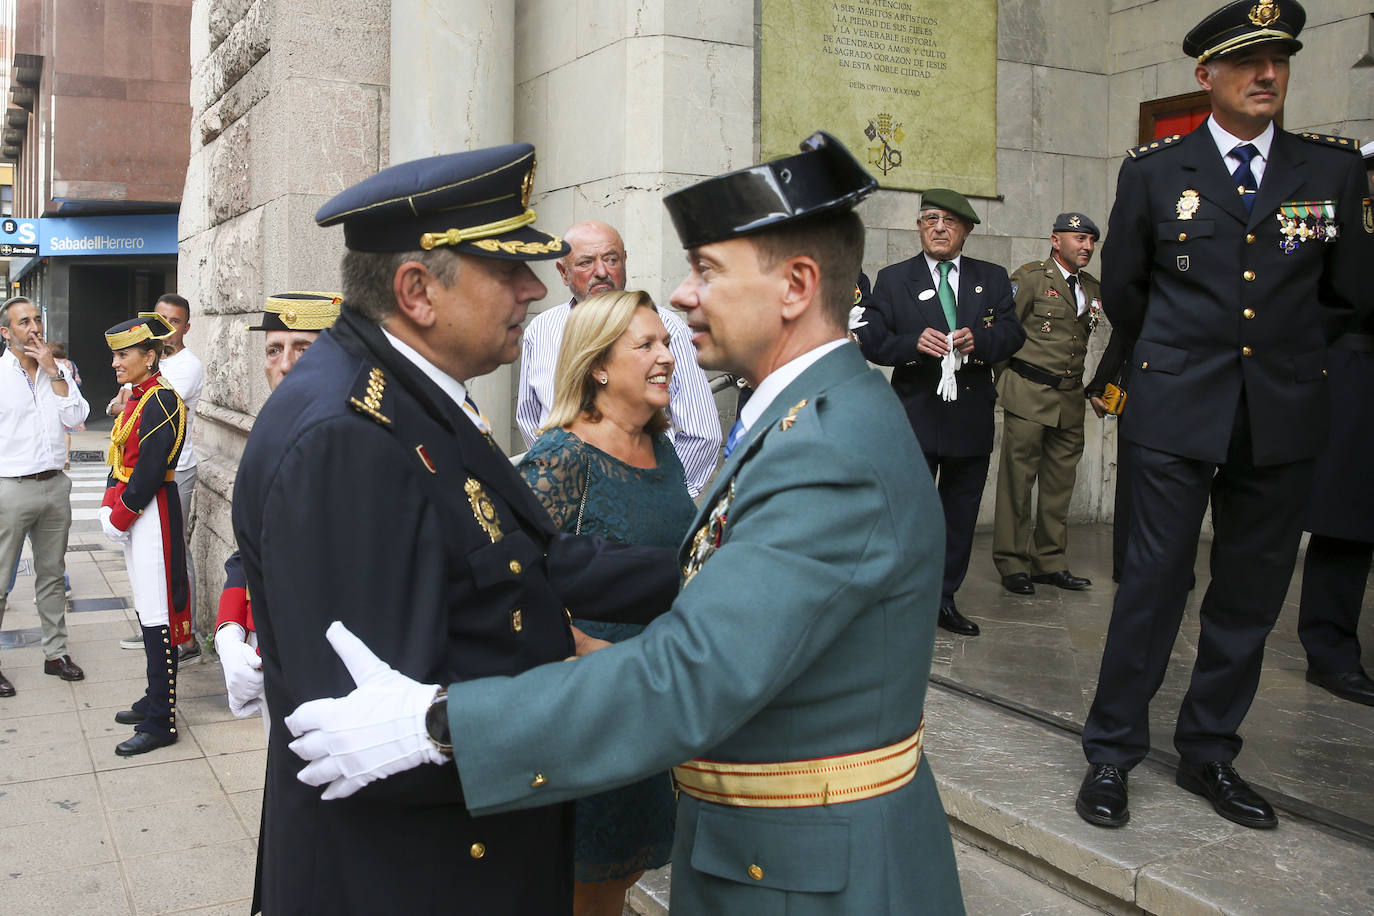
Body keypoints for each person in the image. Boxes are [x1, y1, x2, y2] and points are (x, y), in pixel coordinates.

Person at [285, 131, 966, 915]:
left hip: (812, 878)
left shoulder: (825, 448)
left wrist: (438, 725)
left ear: (796, 286)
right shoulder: (809, 419)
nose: (681, 296)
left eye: (706, 270)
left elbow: (690, 674)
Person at [230, 143, 680, 916]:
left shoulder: (417, 393)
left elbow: (532, 562)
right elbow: (373, 730)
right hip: (414, 877)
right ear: (417, 291)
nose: (535, 290)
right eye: (507, 272)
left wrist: (706, 573)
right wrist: (596, 688)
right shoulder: (347, 438)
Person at [1076, 0, 1373, 832]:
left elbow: (1350, 294)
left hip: (1281, 412)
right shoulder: (1154, 172)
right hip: (1173, 408)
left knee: (1249, 594)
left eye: (1279, 60)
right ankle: (1111, 751)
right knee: (1154, 582)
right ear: (1207, 76)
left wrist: (1281, 356)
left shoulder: (1332, 171)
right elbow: (1128, 290)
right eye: (1248, 62)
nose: (1267, 74)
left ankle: (1209, 751)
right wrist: (1179, 359)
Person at [518, 289, 695, 916]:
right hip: (588, 707)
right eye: (645, 344)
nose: (666, 356)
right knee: (580, 883)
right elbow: (514, 575)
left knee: (619, 878)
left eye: (667, 342)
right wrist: (577, 644)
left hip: (654, 696)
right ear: (598, 365)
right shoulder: (559, 457)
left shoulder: (663, 447)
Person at [856, 188, 1026, 636]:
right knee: (907, 513)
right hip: (915, 416)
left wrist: (980, 343)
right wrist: (912, 345)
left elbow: (1011, 334)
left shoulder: (990, 278)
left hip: (970, 415)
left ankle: (943, 598)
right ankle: (898, 598)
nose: (938, 227)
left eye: (950, 221)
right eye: (930, 218)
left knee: (960, 513)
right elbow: (871, 339)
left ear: (966, 230)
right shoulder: (894, 279)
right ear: (918, 227)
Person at [517, 219, 721, 496]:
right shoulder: (541, 331)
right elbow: (531, 421)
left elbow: (701, 433)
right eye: (585, 262)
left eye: (611, 259)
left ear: (624, 261)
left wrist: (658, 495)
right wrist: (563, 480)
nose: (601, 271)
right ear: (563, 273)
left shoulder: (667, 328)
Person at [214, 291, 342, 722]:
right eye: (274, 349)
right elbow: (248, 553)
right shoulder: (269, 435)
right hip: (269, 651)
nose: (285, 364)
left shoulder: (353, 442)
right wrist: (231, 632)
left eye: (303, 348)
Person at [1296, 139, 1374, 707]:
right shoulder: (1323, 206)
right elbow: (1296, 289)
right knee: (1348, 520)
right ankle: (1330, 652)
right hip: (1355, 371)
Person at [992, 212, 1103, 594]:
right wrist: (1006, 382)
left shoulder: (1091, 287)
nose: (1086, 247)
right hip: (1029, 394)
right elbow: (1004, 333)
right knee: (1017, 486)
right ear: (1056, 240)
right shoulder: (1031, 278)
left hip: (1070, 399)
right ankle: (1012, 564)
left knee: (1058, 487)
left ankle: (1049, 562)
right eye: (1079, 239)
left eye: (1091, 241)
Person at [99, 313, 190, 756]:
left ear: (150, 356)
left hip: (152, 512)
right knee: (146, 606)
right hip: (141, 512)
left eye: (124, 354)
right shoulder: (139, 397)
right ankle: (156, 698)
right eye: (115, 354)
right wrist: (110, 504)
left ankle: (162, 720)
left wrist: (120, 515)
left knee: (158, 614)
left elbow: (150, 469)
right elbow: (122, 458)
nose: (115, 362)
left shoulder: (161, 399)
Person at [0, 297, 89, 696]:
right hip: (10, 488)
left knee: (52, 575)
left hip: (55, 485)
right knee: (1, 581)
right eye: (24, 322)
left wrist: (54, 371)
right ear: (7, 332)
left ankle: (56, 653)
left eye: (37, 319)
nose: (34, 328)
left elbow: (77, 419)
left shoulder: (60, 371)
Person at [115, 294, 204, 662]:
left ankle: (185, 636)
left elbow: (148, 408)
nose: (167, 328)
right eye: (161, 319)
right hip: (146, 472)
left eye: (175, 322)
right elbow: (121, 405)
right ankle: (155, 626)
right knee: (145, 556)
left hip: (174, 471)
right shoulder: (152, 367)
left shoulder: (184, 366)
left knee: (174, 554)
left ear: (185, 327)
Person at [49, 341, 83, 468]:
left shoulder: (50, 363)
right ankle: (66, 457)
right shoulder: (70, 364)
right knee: (66, 431)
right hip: (68, 398)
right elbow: (78, 381)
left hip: (55, 398)